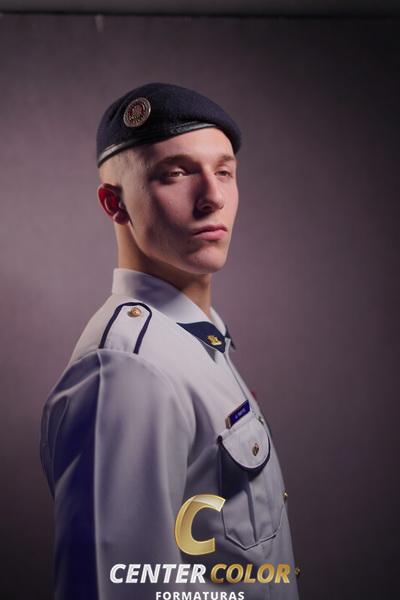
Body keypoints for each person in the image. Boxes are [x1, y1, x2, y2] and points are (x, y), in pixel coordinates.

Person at [40, 82, 300, 600]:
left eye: (224, 172)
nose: (213, 197)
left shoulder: (195, 337)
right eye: (176, 173)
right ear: (114, 203)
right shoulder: (127, 369)